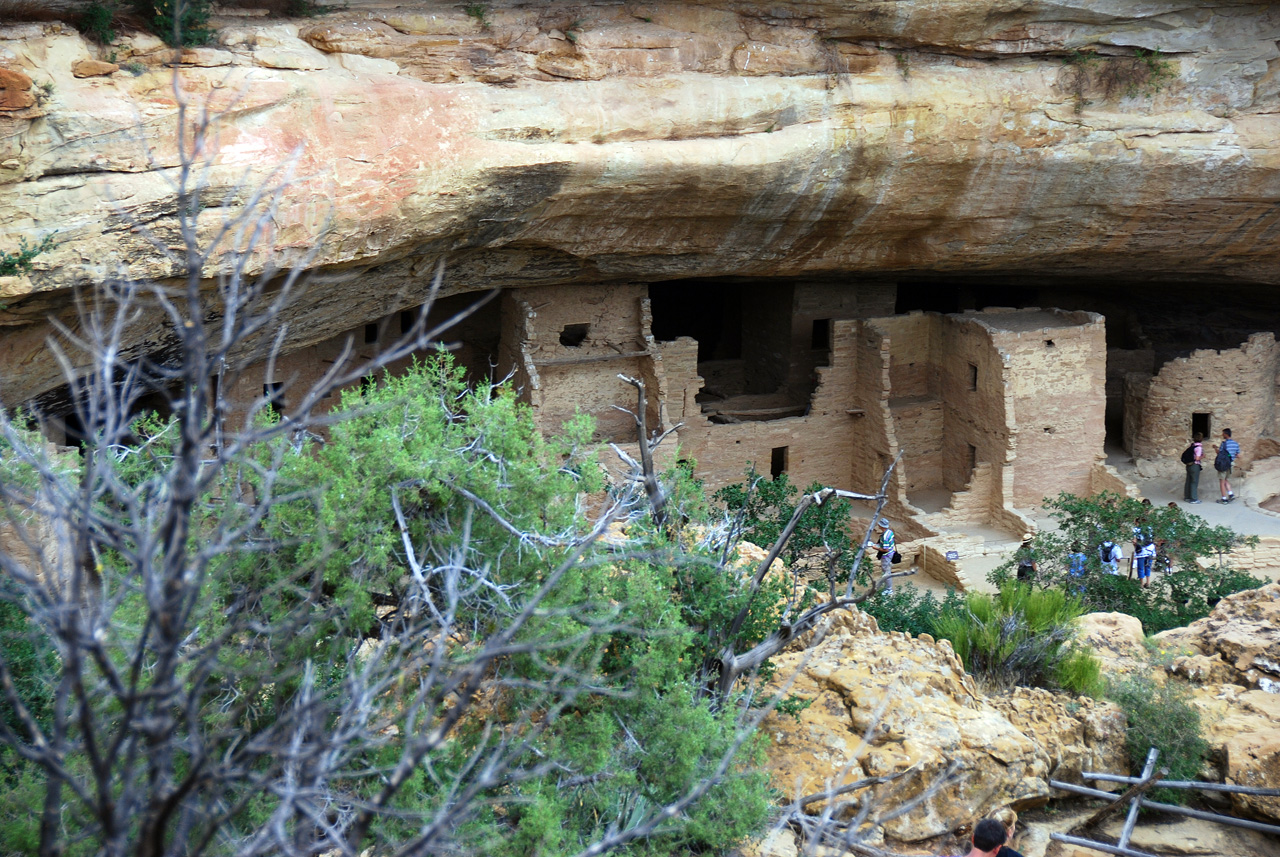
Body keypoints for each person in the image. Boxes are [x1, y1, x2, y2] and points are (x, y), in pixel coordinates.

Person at [1214, 428, 1240, 503]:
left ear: (1226, 434)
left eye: (1223, 433)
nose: (1222, 435)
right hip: (1231, 463)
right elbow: (1238, 455)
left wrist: (1215, 448)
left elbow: (1219, 453)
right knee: (1226, 479)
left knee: (1222, 481)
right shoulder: (1235, 444)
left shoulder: (1224, 444)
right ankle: (1231, 494)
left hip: (1223, 464)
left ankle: (1224, 499)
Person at [873, 518, 895, 594]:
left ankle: (889, 589)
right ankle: (888, 587)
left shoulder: (885, 536)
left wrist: (875, 547)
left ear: (881, 526)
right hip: (891, 553)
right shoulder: (890, 532)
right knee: (887, 570)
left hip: (886, 556)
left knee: (886, 572)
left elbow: (886, 550)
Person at [1183, 431, 1203, 504]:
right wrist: (1202, 456)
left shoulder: (1192, 446)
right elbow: (1197, 458)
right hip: (1195, 465)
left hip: (1189, 465)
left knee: (1188, 480)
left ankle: (1187, 497)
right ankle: (1194, 498)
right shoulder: (1199, 448)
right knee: (1194, 481)